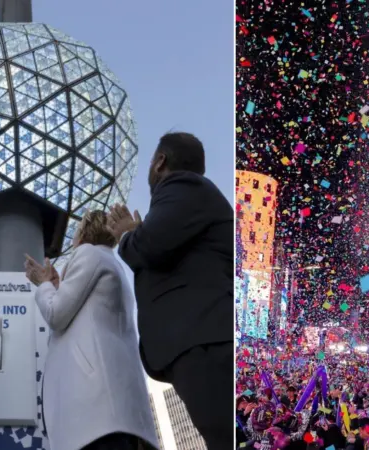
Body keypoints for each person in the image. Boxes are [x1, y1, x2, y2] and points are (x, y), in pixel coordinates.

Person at [106, 131, 234, 448]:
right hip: (201, 341)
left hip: (204, 341)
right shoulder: (190, 196)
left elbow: (148, 248)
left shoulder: (182, 187)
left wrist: (127, 236)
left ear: (160, 161)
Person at [24, 210, 159, 450]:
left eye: (75, 232)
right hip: (114, 414)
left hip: (94, 416)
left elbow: (55, 314)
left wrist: (44, 284)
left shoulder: (87, 254)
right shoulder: (109, 261)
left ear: (83, 232)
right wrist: (58, 286)